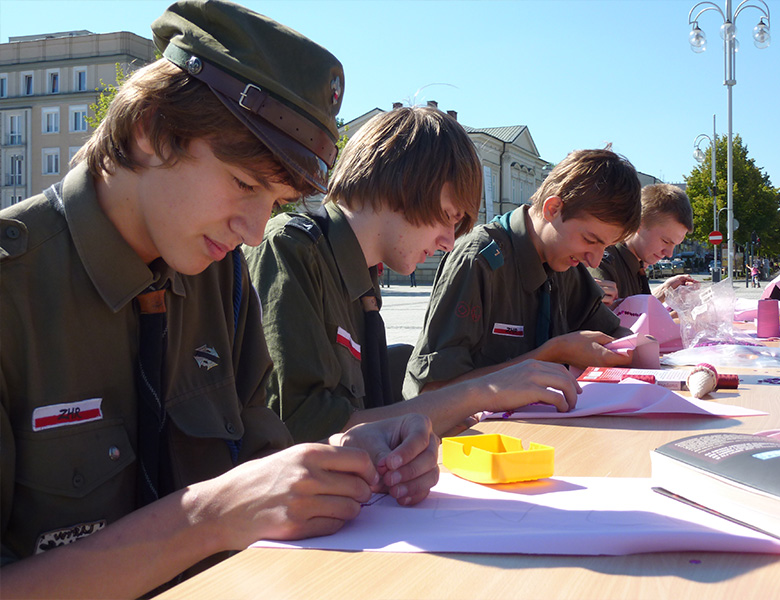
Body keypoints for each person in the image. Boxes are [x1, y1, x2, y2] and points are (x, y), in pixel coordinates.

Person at [0, 2, 438, 597]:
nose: (255, 232)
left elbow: (252, 468)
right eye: (244, 183)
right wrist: (203, 520)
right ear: (152, 130)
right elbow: (222, 508)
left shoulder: (220, 279)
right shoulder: (14, 292)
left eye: (275, 203)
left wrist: (346, 458)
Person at [244, 107, 581, 443]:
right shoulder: (290, 250)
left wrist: (437, 419)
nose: (449, 243)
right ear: (404, 185)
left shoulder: (358, 275)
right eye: (447, 216)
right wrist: (481, 392)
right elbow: (304, 433)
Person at [403, 147, 642, 398]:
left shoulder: (565, 262)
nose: (594, 259)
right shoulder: (479, 260)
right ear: (553, 209)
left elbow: (611, 331)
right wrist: (550, 354)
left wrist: (632, 346)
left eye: (605, 247)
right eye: (590, 240)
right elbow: (434, 392)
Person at [589, 183, 696, 305]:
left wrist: (666, 291)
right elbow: (614, 315)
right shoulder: (602, 263)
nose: (669, 253)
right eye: (665, 241)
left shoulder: (635, 265)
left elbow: (633, 310)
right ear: (638, 224)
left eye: (675, 244)